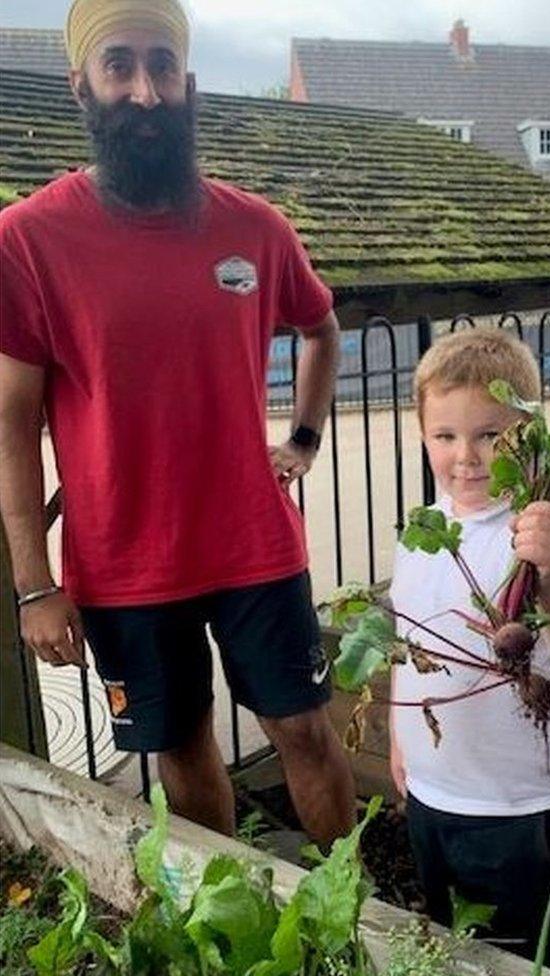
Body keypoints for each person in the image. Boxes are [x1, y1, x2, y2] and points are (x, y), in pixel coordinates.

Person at [0, 0, 355, 848]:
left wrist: (302, 439)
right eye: (119, 65)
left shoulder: (255, 227)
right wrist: (35, 585)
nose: (146, 91)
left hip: (254, 546)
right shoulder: (27, 240)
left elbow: (322, 326)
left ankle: (356, 913)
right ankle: (236, 916)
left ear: (188, 83)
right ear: (81, 85)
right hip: (124, 561)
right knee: (183, 746)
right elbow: (11, 424)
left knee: (303, 728)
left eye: (162, 67)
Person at [389, 328, 550, 974]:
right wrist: (403, 742)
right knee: (458, 947)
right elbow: (409, 643)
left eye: (489, 435)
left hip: (524, 810)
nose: (467, 456)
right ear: (423, 434)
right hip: (436, 797)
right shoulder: (420, 533)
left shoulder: (542, 535)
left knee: (535, 956)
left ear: (527, 435)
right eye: (446, 436)